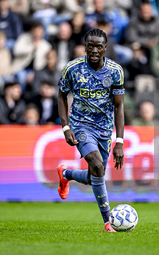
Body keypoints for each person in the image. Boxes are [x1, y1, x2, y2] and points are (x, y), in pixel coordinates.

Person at [57, 28, 124, 233]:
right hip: (81, 125)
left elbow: (119, 106)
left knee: (97, 173)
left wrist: (119, 141)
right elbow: (61, 95)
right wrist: (66, 126)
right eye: (90, 46)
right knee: (95, 163)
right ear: (85, 46)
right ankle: (108, 222)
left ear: (105, 48)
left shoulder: (115, 71)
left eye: (99, 46)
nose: (94, 50)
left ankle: (66, 173)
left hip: (104, 129)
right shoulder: (72, 69)